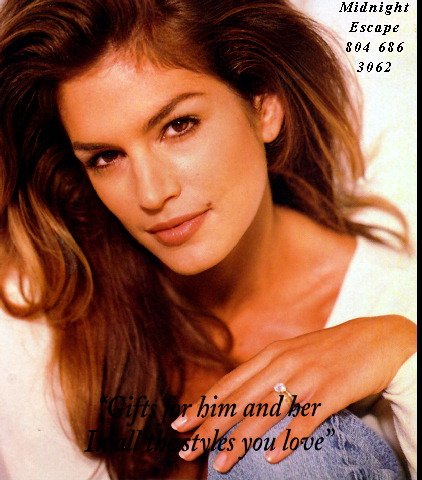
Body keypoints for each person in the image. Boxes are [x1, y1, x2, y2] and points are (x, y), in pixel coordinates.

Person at [0, 0, 416, 479]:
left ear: (264, 105)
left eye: (178, 126)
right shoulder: (41, 318)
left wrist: (403, 355)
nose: (152, 194)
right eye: (106, 157)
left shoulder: (399, 304)